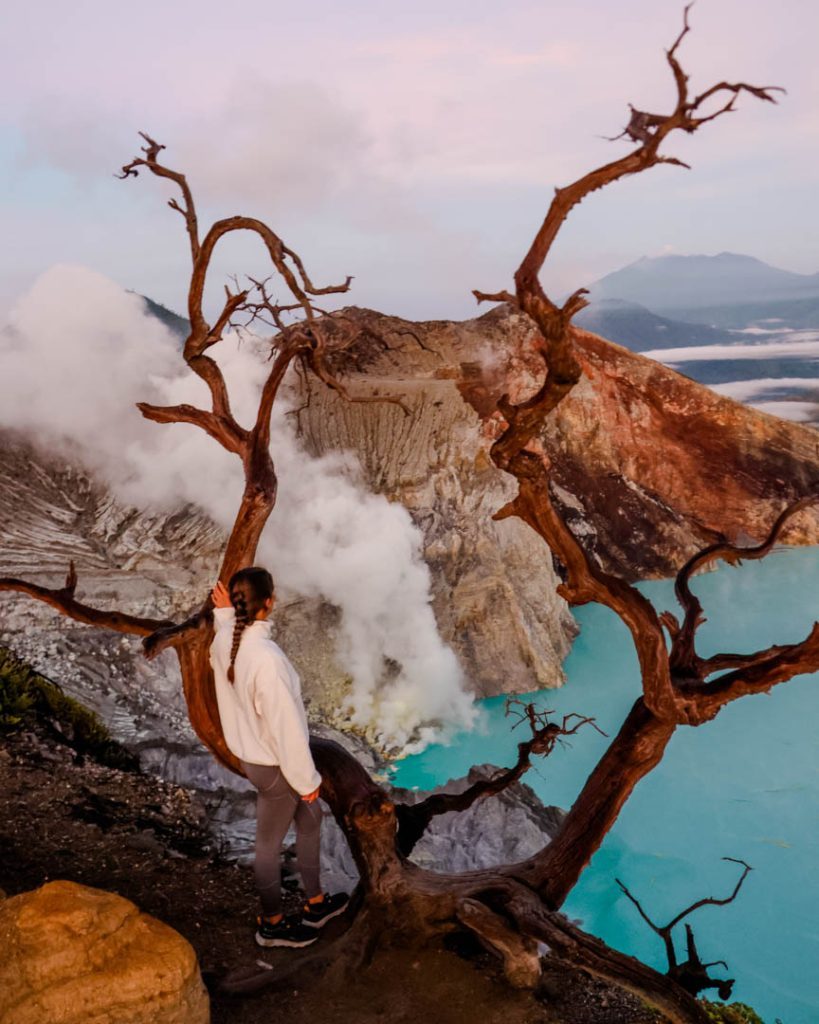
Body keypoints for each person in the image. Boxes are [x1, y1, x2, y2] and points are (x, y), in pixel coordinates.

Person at [209, 566, 348, 948]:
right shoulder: (266, 660)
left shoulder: (228, 640)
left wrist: (223, 614)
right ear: (270, 603)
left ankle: (316, 903)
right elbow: (286, 730)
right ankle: (271, 922)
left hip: (256, 756)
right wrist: (307, 783)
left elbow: (228, 633)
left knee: (311, 819)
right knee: (268, 846)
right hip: (274, 767)